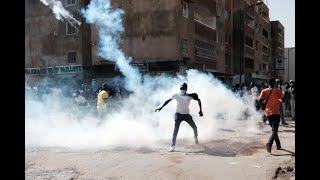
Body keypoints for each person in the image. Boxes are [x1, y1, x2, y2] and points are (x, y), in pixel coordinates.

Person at [155, 83, 203, 152]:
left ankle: (195, 137)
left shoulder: (190, 96)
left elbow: (198, 100)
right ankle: (172, 146)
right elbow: (168, 100)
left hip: (186, 115)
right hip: (178, 114)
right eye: (181, 89)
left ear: (186, 89)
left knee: (194, 127)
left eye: (183, 89)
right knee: (176, 130)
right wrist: (161, 107)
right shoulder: (176, 95)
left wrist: (200, 110)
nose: (182, 90)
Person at [259, 78, 284, 153]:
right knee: (274, 130)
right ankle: (269, 143)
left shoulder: (264, 91)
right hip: (276, 113)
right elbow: (283, 99)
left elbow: (259, 100)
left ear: (268, 83)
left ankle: (278, 145)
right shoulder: (277, 91)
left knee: (274, 130)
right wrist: (280, 98)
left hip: (268, 113)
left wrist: (263, 108)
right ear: (275, 84)